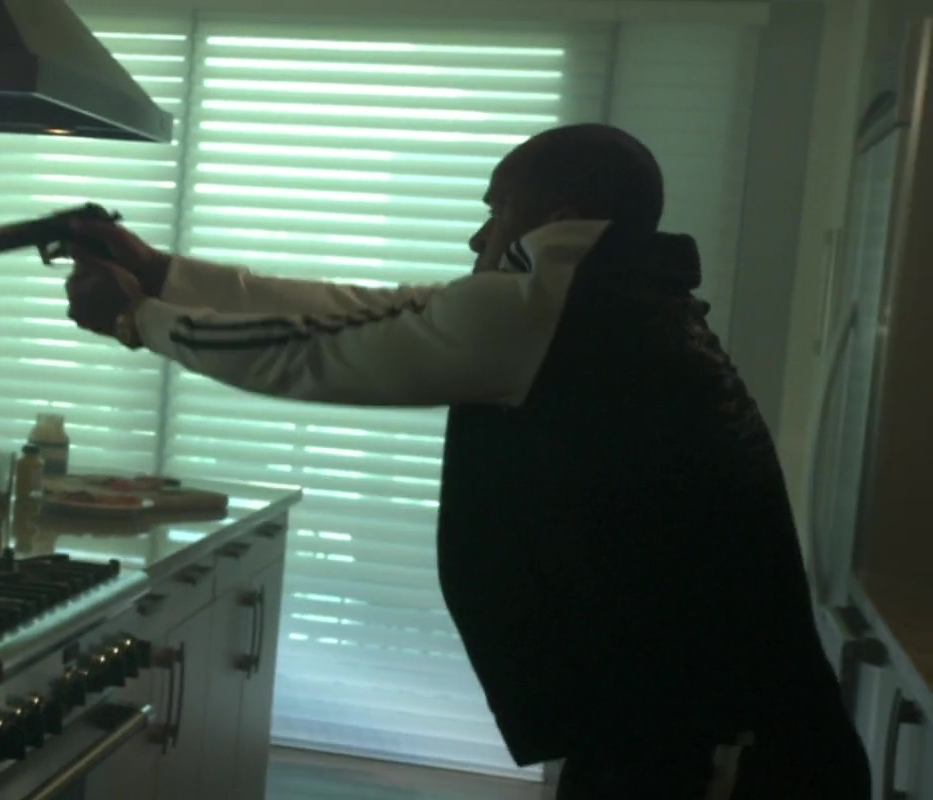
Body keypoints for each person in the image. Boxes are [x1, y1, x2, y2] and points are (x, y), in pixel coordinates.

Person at [62, 123, 869, 798]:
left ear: (558, 216)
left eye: (497, 210)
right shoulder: (612, 293)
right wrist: (163, 274)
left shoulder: (547, 310)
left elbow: (309, 354)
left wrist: (140, 317)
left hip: (720, 755)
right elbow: (362, 311)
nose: (479, 236)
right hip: (699, 728)